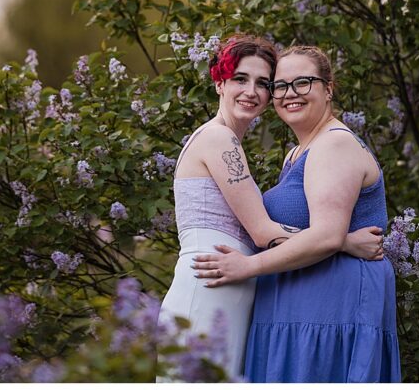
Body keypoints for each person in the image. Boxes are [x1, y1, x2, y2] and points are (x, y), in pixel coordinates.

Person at [158, 35, 384, 379]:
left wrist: (332, 237)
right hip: (210, 281)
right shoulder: (218, 138)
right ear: (219, 83)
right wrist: (343, 241)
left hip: (229, 283)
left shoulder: (232, 141)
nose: (251, 91)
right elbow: (262, 232)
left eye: (263, 83)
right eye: (240, 79)